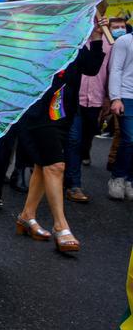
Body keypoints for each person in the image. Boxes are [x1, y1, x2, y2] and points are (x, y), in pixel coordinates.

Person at [15, 14, 106, 251]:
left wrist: (96, 38)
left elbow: (92, 68)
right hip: (37, 113)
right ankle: (60, 226)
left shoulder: (73, 45)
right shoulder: (35, 42)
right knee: (56, 166)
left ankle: (27, 215)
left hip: (63, 114)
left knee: (42, 166)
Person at [64, 30, 112, 202]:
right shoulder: (61, 38)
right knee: (68, 141)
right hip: (59, 101)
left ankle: (69, 181)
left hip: (82, 102)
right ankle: (71, 184)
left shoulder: (87, 43)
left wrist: (97, 37)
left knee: (79, 139)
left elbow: (94, 69)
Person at [107, 24, 133, 200]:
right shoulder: (124, 41)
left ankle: (130, 180)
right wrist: (115, 97)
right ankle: (117, 177)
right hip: (127, 95)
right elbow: (115, 69)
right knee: (130, 139)